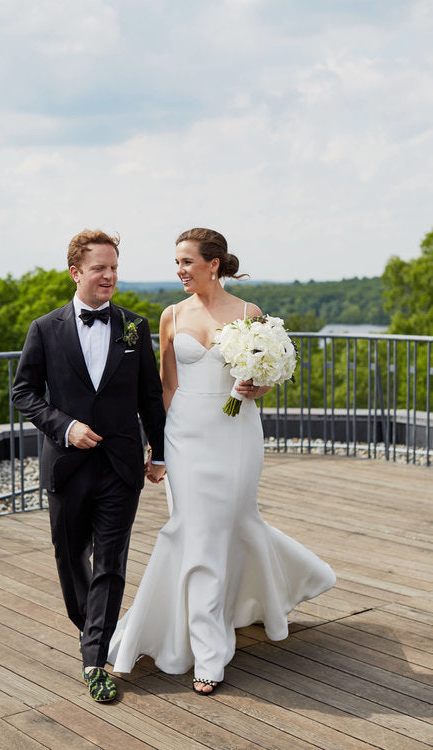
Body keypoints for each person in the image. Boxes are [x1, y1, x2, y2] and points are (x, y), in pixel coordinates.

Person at [107, 227, 336, 694]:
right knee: (196, 532)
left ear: (214, 264)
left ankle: (275, 588)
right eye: (176, 262)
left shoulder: (250, 314)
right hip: (187, 435)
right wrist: (159, 447)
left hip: (236, 433)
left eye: (187, 261)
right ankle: (209, 653)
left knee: (234, 524)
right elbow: (166, 388)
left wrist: (260, 387)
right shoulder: (171, 315)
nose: (179, 270)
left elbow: (265, 374)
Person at [12, 229, 166, 702]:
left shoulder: (135, 327)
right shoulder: (44, 328)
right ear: (76, 272)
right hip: (67, 465)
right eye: (100, 268)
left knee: (112, 562)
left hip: (121, 465)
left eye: (115, 267)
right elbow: (23, 394)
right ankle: (90, 629)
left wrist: (159, 453)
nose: (110, 276)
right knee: (70, 555)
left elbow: (149, 397)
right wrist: (65, 426)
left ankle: (94, 658)